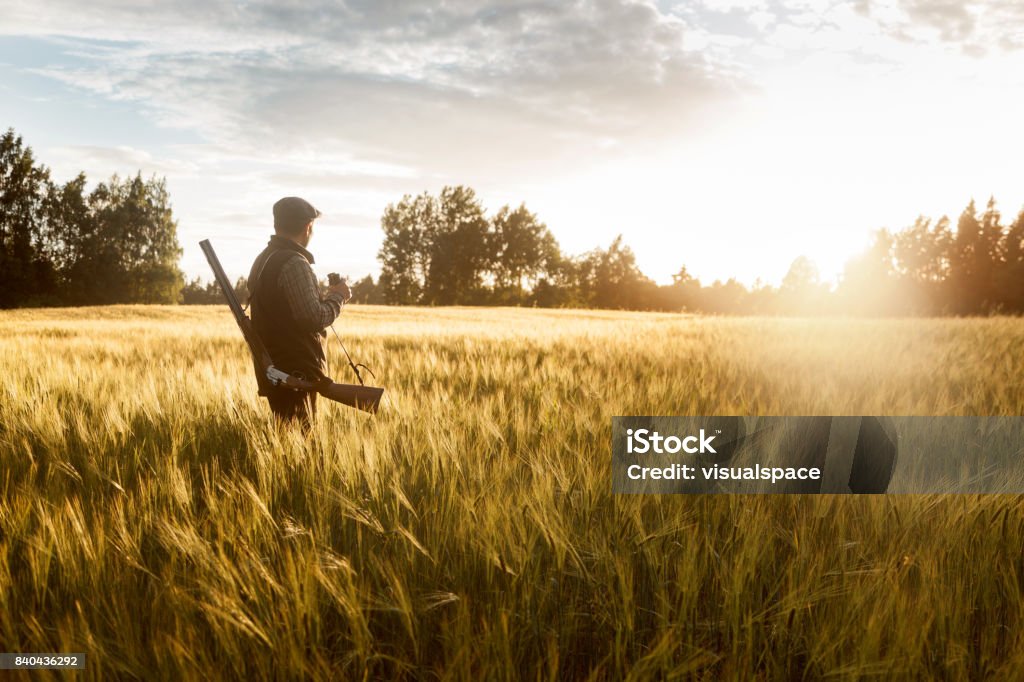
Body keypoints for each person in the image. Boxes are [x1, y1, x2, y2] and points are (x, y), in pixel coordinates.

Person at [247, 197, 351, 426]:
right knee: (300, 443)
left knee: (287, 439)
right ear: (308, 227)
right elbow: (313, 318)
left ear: (276, 225)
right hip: (295, 373)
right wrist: (339, 296)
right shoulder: (295, 263)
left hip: (276, 370)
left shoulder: (263, 260)